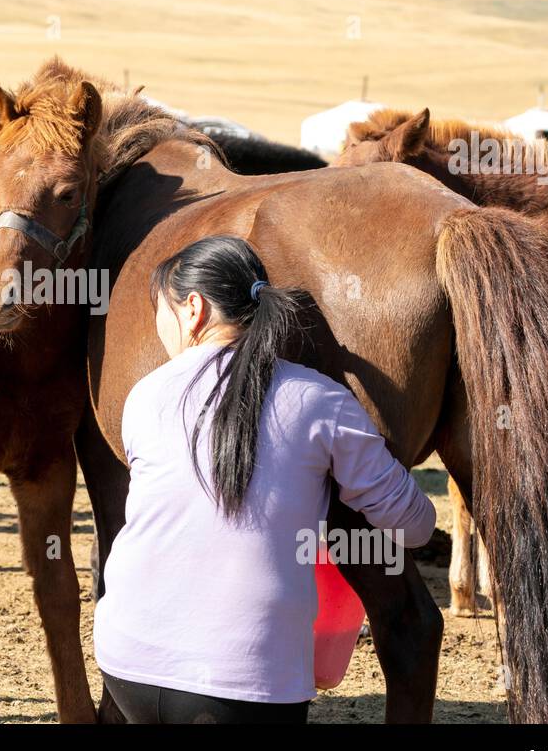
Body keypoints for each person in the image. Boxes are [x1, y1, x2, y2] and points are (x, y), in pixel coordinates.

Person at [93, 235, 436, 723]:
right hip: (251, 682)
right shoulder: (321, 401)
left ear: (193, 309)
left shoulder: (143, 396)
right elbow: (416, 527)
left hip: (127, 662)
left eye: (159, 311)